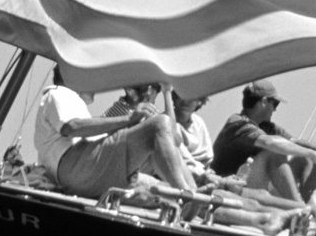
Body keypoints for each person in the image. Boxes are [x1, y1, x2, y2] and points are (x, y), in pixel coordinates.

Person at [33, 68, 200, 200]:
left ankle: (193, 195)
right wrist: (129, 118)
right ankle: (186, 195)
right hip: (75, 167)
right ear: (72, 76)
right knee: (159, 125)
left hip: (85, 170)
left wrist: (167, 92)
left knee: (161, 162)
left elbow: (173, 139)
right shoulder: (58, 92)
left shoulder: (75, 105)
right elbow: (72, 126)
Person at [210, 80, 316, 207]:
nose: (275, 110)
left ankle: (312, 205)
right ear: (264, 102)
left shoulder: (267, 126)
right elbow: (268, 142)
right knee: (273, 153)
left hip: (251, 180)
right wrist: (312, 153)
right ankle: (299, 207)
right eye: (275, 104)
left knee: (306, 157)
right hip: (230, 184)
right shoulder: (237, 123)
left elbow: (294, 143)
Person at [169, 89, 213, 182]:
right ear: (174, 97)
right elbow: (179, 161)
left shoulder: (199, 123)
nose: (185, 100)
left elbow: (207, 158)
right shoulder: (167, 122)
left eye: (191, 97)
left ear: (199, 102)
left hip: (205, 175)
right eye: (182, 95)